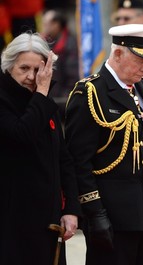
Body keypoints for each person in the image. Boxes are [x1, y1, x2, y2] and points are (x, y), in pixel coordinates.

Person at [64, 24, 143, 265]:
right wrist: (95, 213)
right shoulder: (91, 92)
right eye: (140, 61)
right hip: (114, 219)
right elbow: (79, 161)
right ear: (117, 54)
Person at [0, 32, 81, 265]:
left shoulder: (44, 103)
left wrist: (71, 209)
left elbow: (63, 159)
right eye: (23, 68)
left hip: (47, 219)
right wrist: (43, 93)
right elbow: (22, 134)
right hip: (11, 220)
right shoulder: (7, 98)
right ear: (9, 66)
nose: (31, 77)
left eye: (38, 70)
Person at [41, 9, 79, 120]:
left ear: (56, 24)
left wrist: (62, 100)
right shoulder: (47, 42)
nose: (43, 27)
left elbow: (72, 76)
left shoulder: (69, 45)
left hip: (61, 102)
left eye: (46, 24)